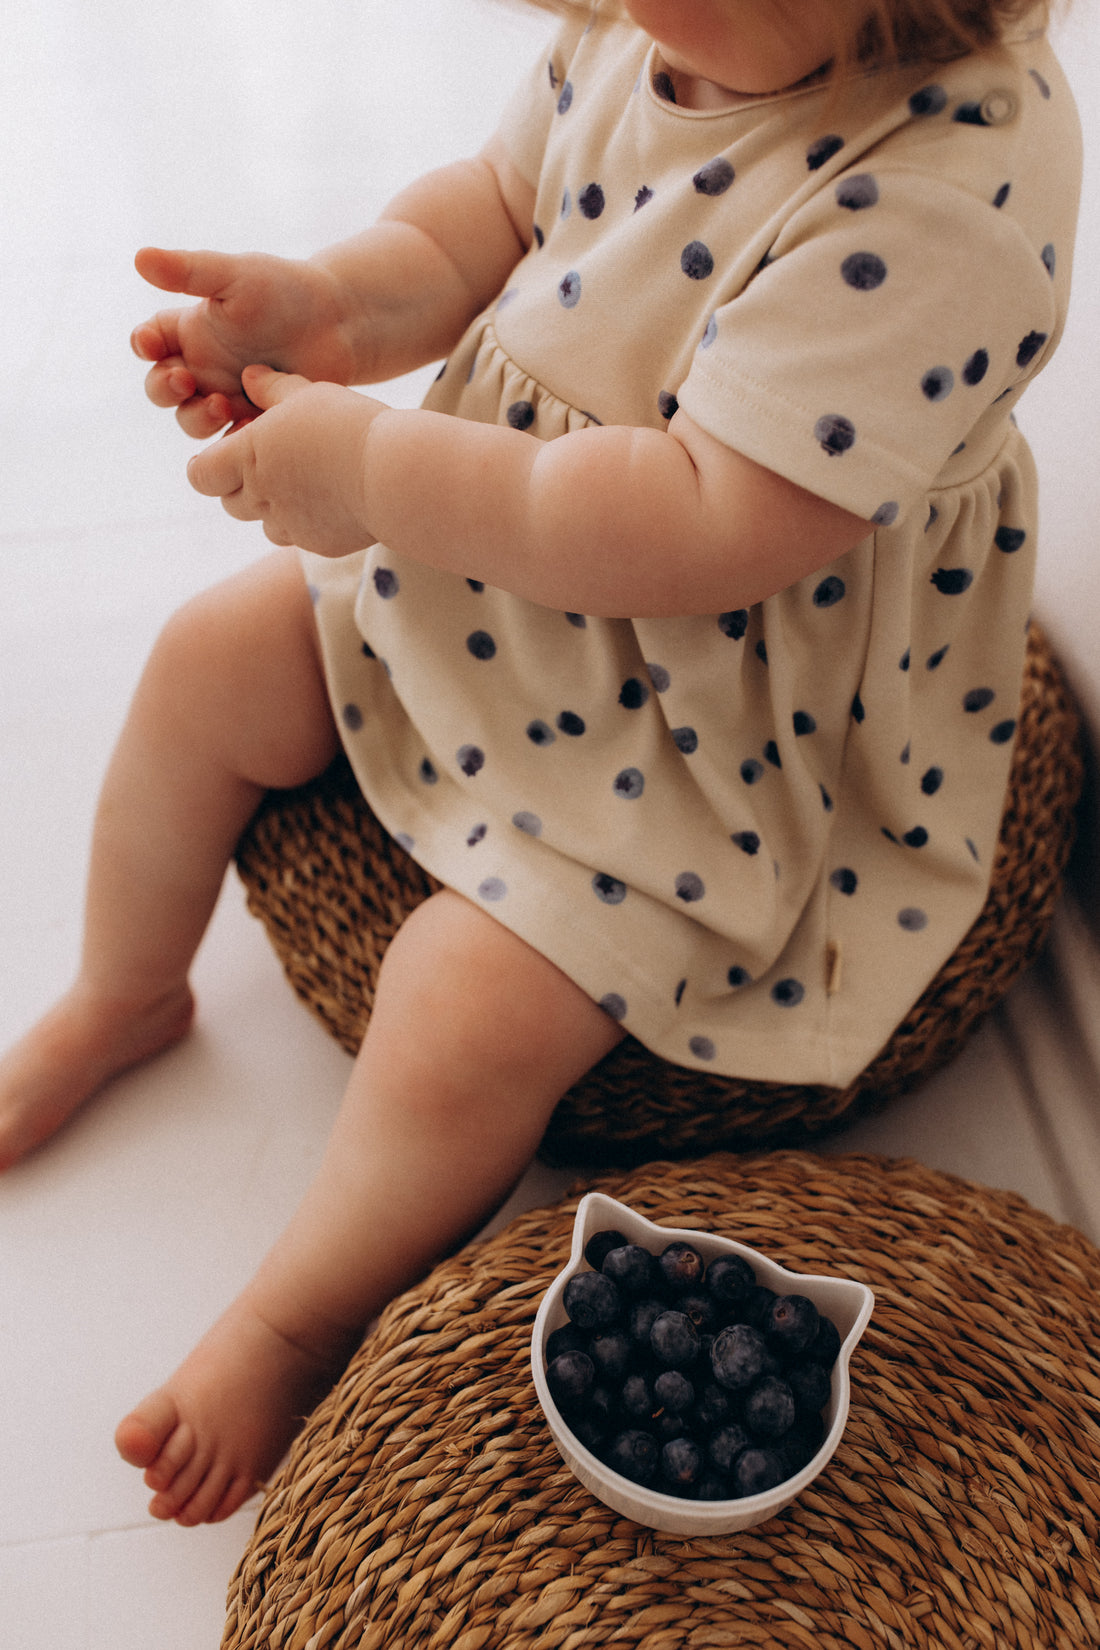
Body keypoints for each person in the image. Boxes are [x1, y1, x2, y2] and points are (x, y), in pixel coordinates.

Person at [0, 0, 1080, 1526]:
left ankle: (297, 1315)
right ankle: (126, 990)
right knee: (207, 661)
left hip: (730, 705)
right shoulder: (658, 28)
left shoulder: (946, 191)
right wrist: (329, 304)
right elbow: (495, 214)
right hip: (497, 563)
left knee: (459, 1000)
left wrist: (374, 474)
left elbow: (706, 525)